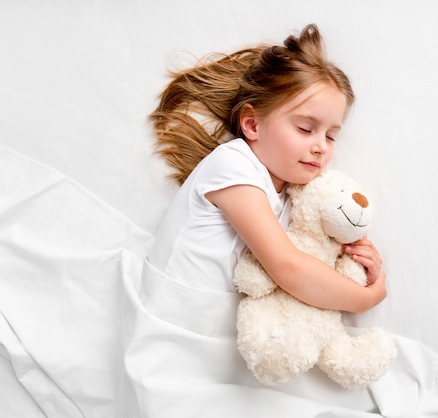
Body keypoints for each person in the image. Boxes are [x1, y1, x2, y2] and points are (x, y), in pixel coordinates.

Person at [148, 23, 387, 316]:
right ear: (252, 124)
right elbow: (288, 267)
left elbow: (313, 261)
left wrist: (358, 265)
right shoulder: (232, 165)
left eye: (330, 136)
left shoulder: (296, 195)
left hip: (223, 325)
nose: (321, 147)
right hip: (172, 317)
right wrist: (365, 299)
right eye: (305, 128)